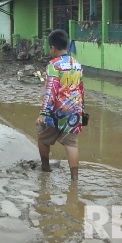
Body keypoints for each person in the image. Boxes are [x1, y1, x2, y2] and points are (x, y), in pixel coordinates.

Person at [36, 29, 85, 181]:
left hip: (57, 112)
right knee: (71, 144)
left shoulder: (53, 65)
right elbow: (80, 88)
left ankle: (45, 169)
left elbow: (51, 91)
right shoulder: (76, 64)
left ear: (53, 48)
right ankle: (74, 179)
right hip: (75, 110)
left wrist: (43, 113)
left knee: (42, 137)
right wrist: (82, 108)